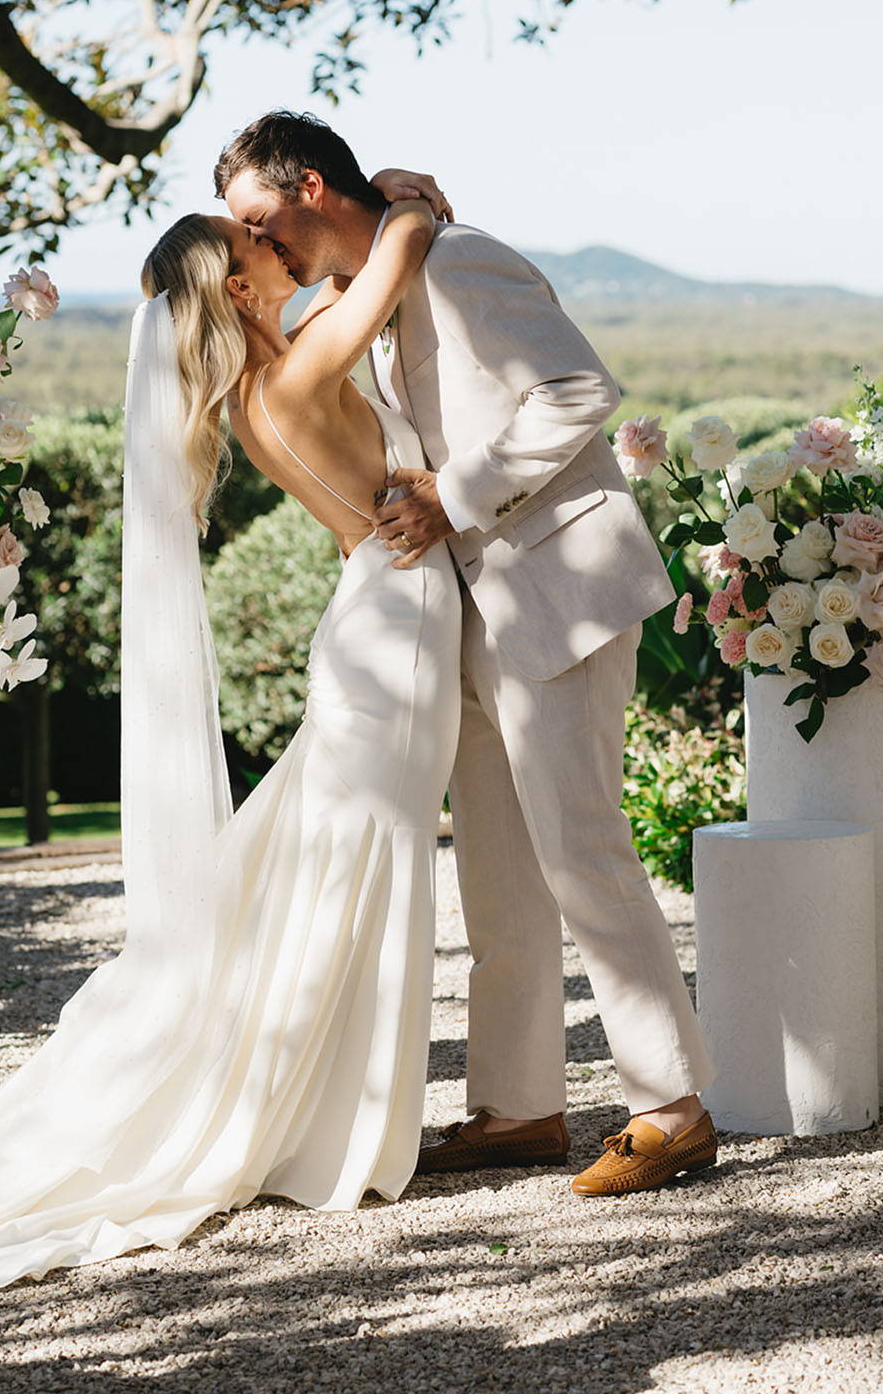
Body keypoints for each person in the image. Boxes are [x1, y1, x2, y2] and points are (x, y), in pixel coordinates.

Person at [0, 193, 464, 1297]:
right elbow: (399, 247)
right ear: (238, 288)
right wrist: (399, 199)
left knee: (334, 866)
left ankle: (327, 1114)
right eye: (259, 245)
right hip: (394, 628)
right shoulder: (303, 371)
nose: (279, 246)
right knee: (355, 862)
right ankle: (326, 1126)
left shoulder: (268, 386)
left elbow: (334, 293)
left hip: (380, 617)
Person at [216, 112, 719, 1196]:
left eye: (262, 219)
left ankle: (669, 1104)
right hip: (467, 617)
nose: (264, 248)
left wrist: (452, 493)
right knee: (495, 878)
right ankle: (517, 1107)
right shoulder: (373, 289)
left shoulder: (463, 259)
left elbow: (576, 393)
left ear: (308, 185)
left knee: (580, 849)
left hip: (556, 590)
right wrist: (396, 204)